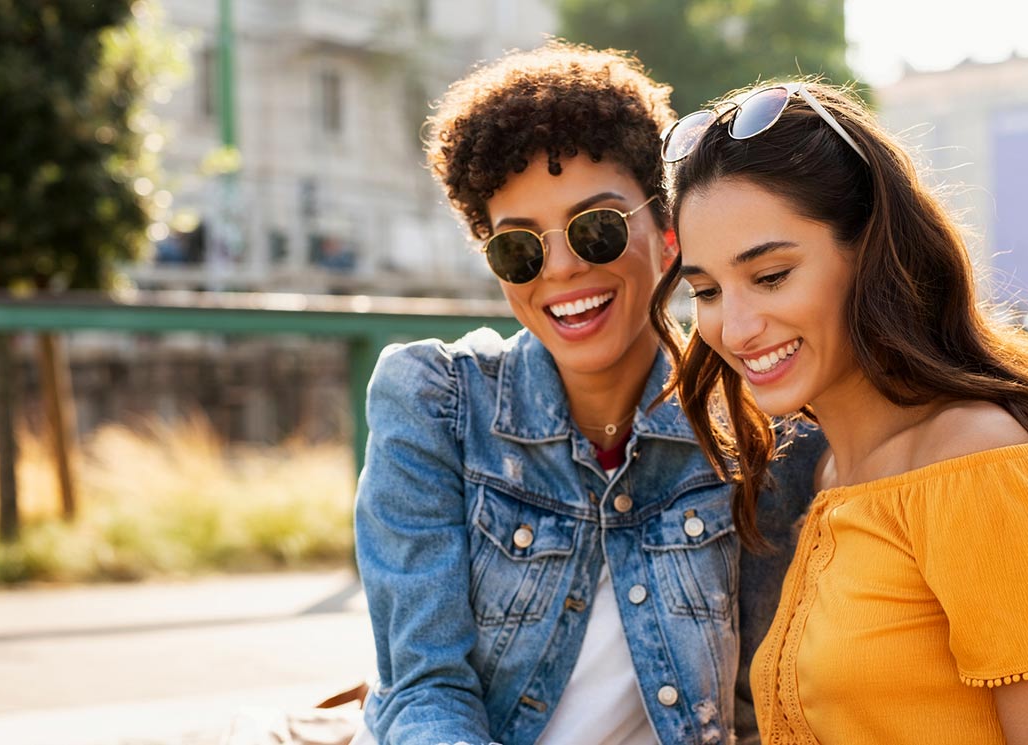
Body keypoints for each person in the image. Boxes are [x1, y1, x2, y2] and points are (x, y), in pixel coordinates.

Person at [653, 79, 1028, 745]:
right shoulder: (829, 471)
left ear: (869, 254)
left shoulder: (983, 467)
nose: (736, 326)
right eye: (708, 290)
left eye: (771, 276)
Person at [352, 43, 823, 745]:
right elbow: (424, 688)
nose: (563, 269)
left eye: (595, 229)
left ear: (668, 233)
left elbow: (759, 707)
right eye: (519, 248)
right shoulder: (434, 403)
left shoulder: (761, 429)